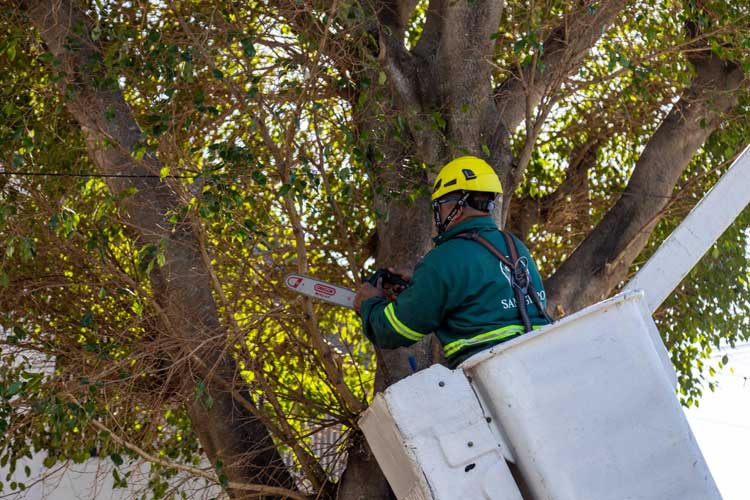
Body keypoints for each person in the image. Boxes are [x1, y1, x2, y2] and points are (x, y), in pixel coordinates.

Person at [354, 156, 552, 369]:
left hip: (493, 372)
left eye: (439, 207)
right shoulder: (513, 244)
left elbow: (396, 329)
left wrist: (370, 304)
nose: (437, 215)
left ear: (456, 207)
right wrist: (421, 281)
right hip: (541, 359)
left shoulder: (443, 259)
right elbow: (482, 286)